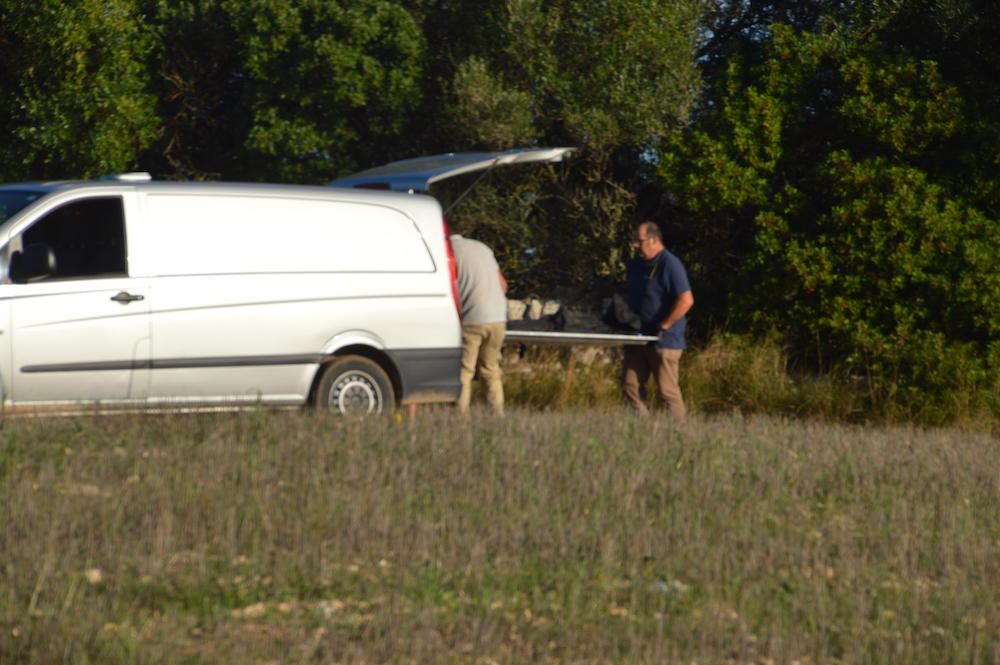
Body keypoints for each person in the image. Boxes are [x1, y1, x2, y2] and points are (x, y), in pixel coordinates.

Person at [622, 221, 694, 420]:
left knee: (667, 391)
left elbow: (686, 299)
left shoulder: (670, 264)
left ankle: (679, 434)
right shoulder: (636, 265)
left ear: (654, 240)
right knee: (631, 385)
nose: (636, 245)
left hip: (664, 340)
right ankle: (643, 429)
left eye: (640, 241)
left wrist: (665, 324)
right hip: (638, 337)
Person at [450, 232, 508, 414]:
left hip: (472, 318)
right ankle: (497, 415)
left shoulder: (448, 252)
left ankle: (460, 417)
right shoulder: (482, 248)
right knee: (491, 369)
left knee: (465, 371)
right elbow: (503, 285)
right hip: (498, 317)